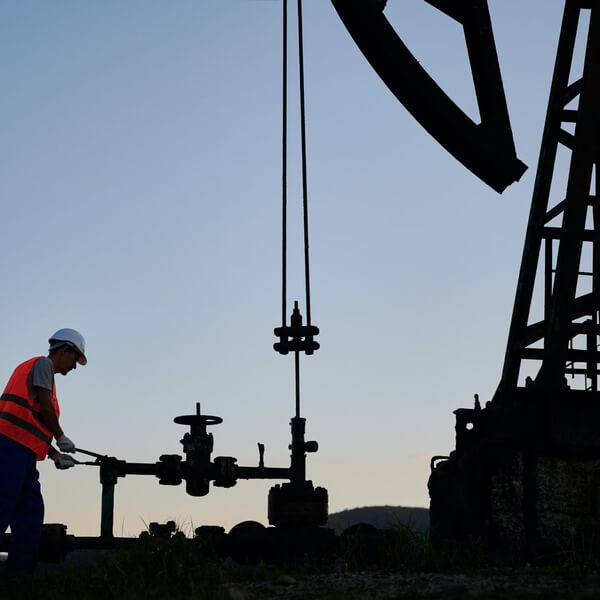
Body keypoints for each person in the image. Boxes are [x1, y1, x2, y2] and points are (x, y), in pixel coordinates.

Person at [0, 328, 87, 576]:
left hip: (21, 453)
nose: (75, 366)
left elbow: (32, 422)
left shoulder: (42, 372)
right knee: (2, 508)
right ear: (65, 351)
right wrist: (60, 436)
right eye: (75, 358)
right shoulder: (42, 365)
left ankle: (19, 577)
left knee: (30, 514)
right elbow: (46, 409)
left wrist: (55, 454)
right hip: (8, 449)